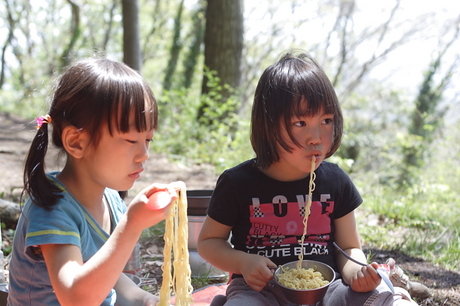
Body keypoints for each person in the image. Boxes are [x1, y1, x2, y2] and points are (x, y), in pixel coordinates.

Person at [197, 51, 419, 306]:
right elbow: (208, 242)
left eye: (326, 120)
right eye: (300, 122)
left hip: (329, 289)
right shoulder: (238, 183)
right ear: (268, 126)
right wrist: (244, 262)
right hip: (258, 291)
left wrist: (355, 273)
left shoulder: (335, 181)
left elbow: (348, 247)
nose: (317, 137)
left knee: (387, 300)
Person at [8, 58, 178, 306]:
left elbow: (111, 277)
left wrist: (147, 300)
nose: (144, 154)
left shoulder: (111, 202)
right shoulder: (52, 208)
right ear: (77, 142)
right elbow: (76, 298)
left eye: (148, 140)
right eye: (131, 140)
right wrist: (131, 225)